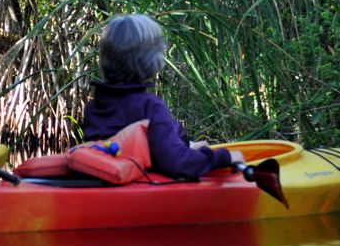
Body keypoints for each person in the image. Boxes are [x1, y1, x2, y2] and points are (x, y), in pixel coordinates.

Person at [82, 14, 243, 178]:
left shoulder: (94, 108)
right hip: (143, 197)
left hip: (110, 193)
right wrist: (225, 157)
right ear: (151, 60)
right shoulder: (149, 106)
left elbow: (130, 149)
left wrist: (188, 145)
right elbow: (177, 163)